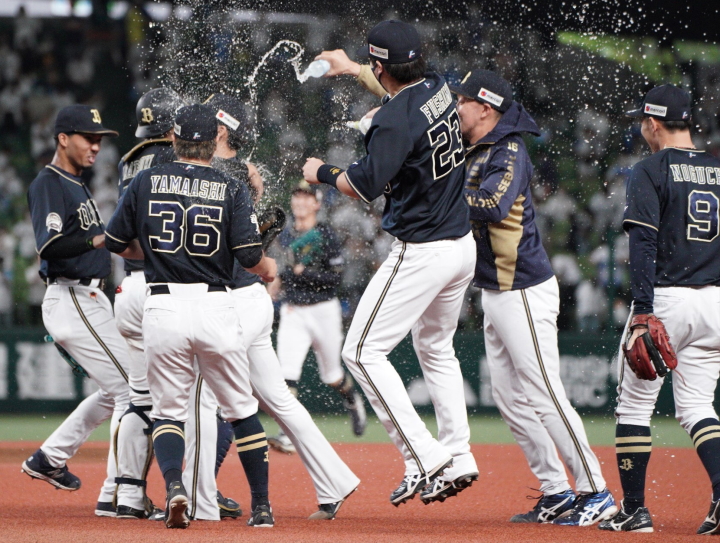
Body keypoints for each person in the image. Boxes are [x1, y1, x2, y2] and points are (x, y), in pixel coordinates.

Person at [303, 20, 478, 507]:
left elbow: (363, 185)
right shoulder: (440, 85)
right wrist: (354, 68)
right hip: (461, 243)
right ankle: (458, 453)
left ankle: (425, 457)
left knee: (360, 351)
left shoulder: (395, 118)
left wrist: (321, 171)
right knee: (436, 345)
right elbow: (400, 92)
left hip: (423, 249)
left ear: (382, 66)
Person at [449, 70, 617, 526]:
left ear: (485, 108)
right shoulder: (477, 146)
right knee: (510, 399)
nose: (455, 106)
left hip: (522, 288)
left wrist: (442, 196)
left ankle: (596, 492)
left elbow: (495, 206)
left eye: (462, 100)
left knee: (544, 394)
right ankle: (557, 490)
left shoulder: (509, 150)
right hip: (497, 291)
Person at [183, 92, 360, 520]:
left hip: (228, 301)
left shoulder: (212, 173)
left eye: (210, 120)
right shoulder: (243, 172)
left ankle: (198, 497)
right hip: (252, 298)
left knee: (206, 400)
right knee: (279, 399)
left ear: (221, 130)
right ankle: (335, 481)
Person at [105, 103, 277, 529]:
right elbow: (250, 256)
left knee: (167, 412)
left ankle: (174, 489)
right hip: (216, 305)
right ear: (214, 140)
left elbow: (114, 241)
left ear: (175, 139)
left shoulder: (145, 180)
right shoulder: (230, 184)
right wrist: (268, 268)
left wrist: (152, 252)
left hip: (162, 303)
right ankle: (261, 508)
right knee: (240, 410)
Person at [599, 85, 720, 534]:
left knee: (633, 405)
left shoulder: (649, 169)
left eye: (641, 122)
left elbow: (643, 242)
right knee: (697, 406)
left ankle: (634, 510)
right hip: (715, 303)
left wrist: (643, 310)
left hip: (668, 297)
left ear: (653, 123)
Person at [22, 104, 138, 518]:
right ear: (63, 138)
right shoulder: (50, 183)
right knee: (134, 390)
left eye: (99, 138)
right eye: (88, 137)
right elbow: (49, 246)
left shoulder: (75, 182)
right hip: (71, 296)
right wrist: (99, 241)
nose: (96, 145)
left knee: (114, 391)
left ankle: (48, 458)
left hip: (89, 298)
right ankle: (120, 493)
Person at [267, 182, 367, 453]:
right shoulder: (285, 235)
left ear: (317, 204)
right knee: (286, 375)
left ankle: (352, 399)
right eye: (297, 195)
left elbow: (336, 278)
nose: (300, 200)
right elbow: (283, 271)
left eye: (306, 197)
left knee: (332, 375)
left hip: (324, 310)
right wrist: (278, 281)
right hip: (294, 310)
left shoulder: (326, 235)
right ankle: (288, 434)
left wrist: (302, 273)